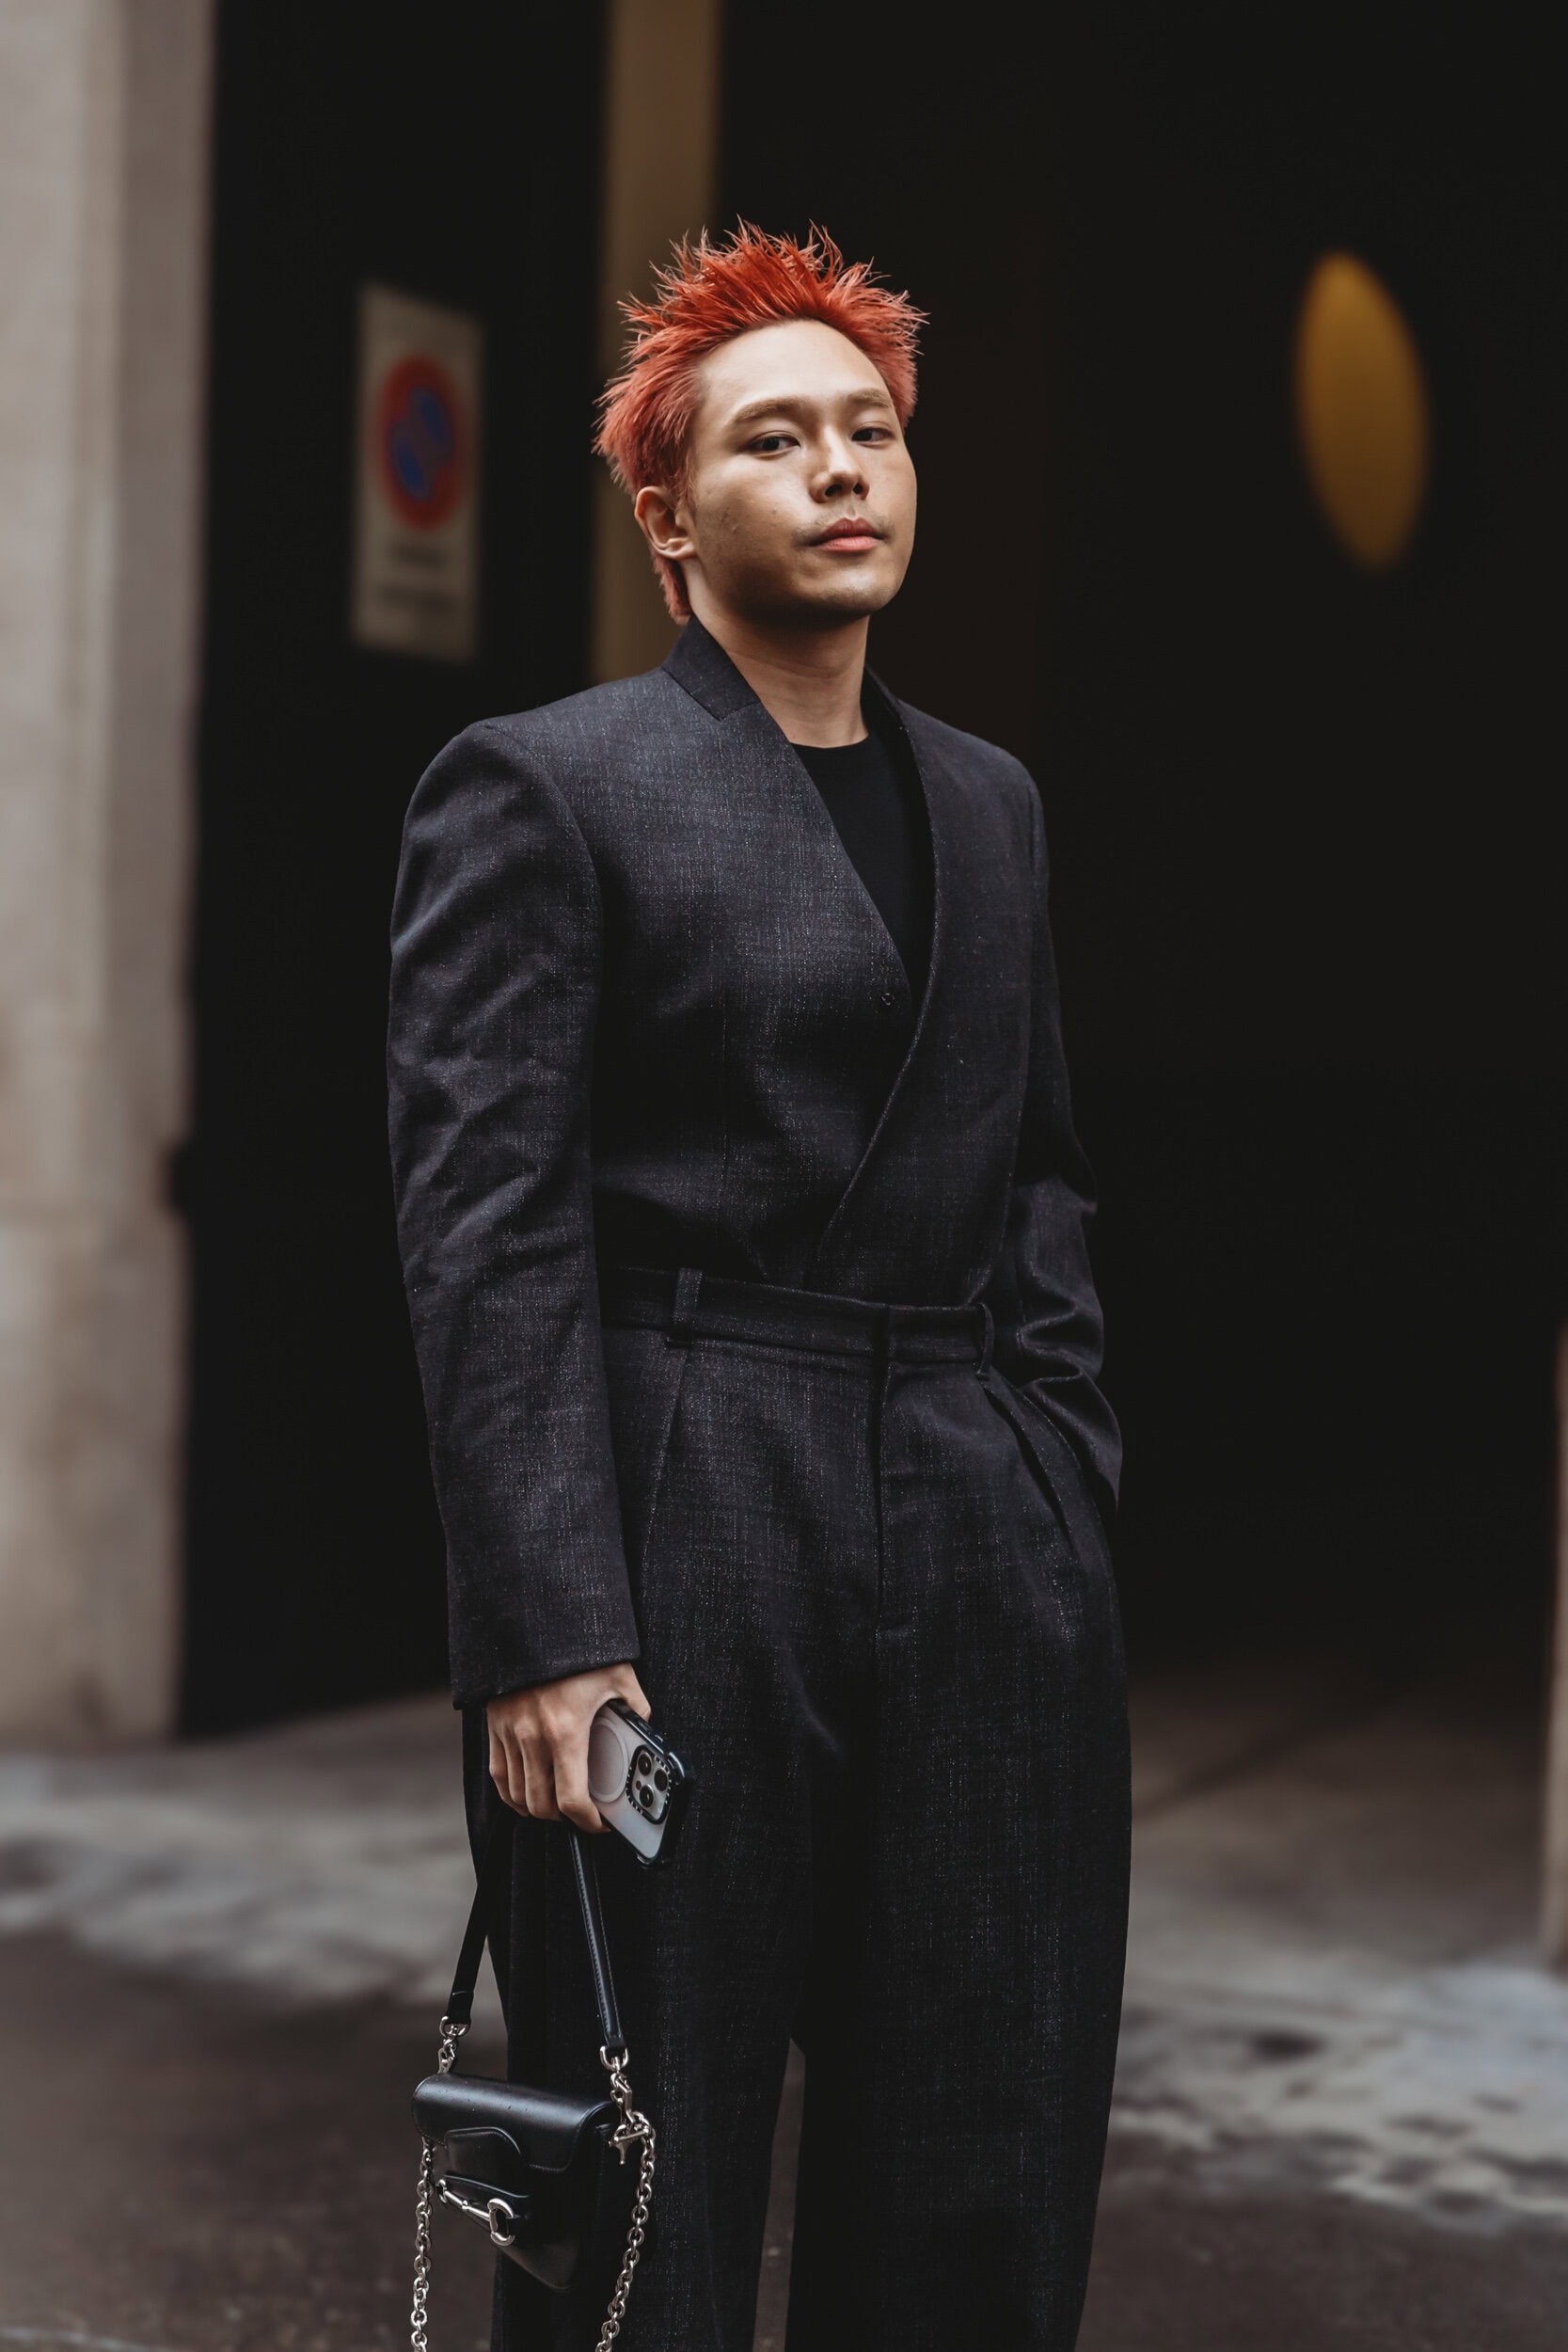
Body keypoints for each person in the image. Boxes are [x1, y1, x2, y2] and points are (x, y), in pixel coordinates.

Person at [388, 225, 1129, 2352]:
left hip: (977, 1512)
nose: (839, 470)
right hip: (686, 1491)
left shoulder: (991, 803)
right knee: (650, 2167)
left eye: (871, 429)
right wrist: (548, 1628)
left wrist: (1057, 1484)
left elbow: (1040, 1177)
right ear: (666, 517)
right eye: (774, 437)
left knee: (983, 2130)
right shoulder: (549, 784)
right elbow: (490, 1221)